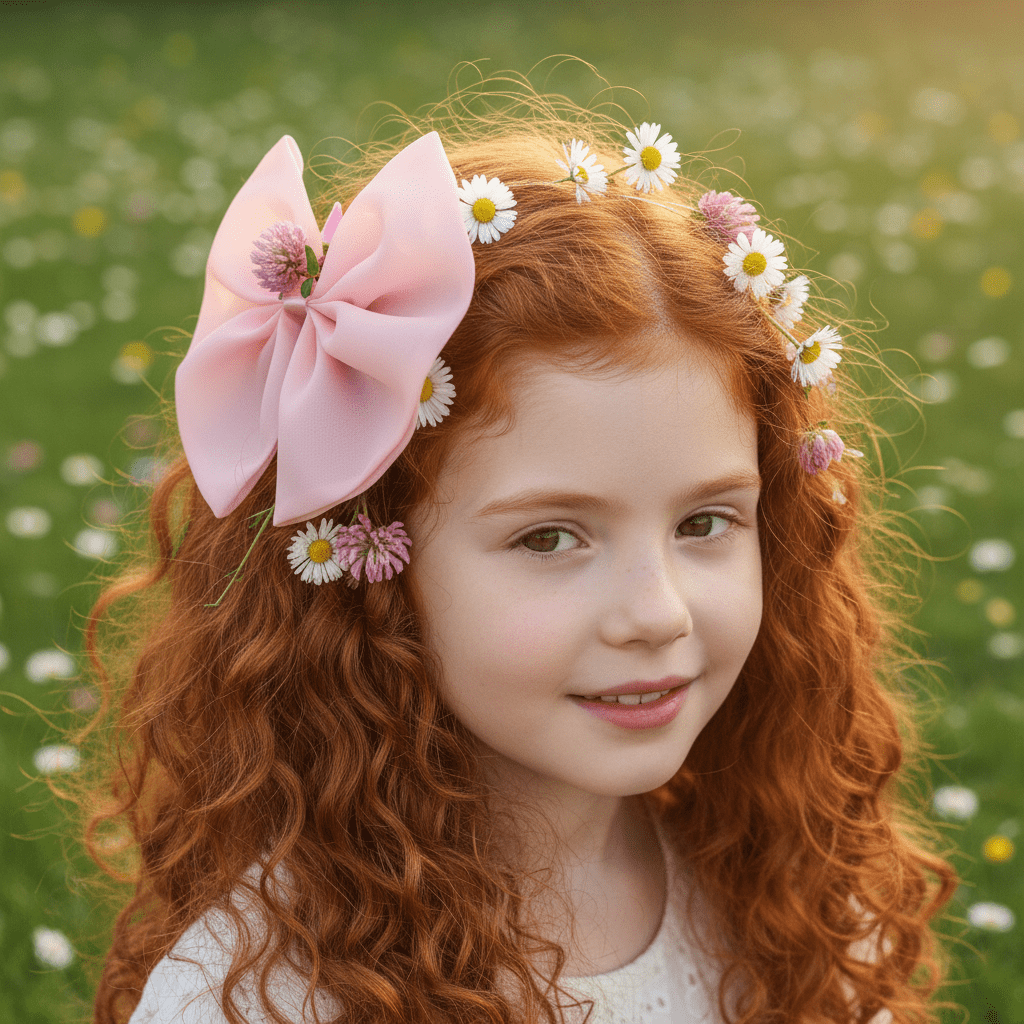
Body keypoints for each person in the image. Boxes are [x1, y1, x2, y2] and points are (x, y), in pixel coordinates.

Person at [75, 82, 959, 1024]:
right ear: (372, 568)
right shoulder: (267, 994)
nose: (658, 612)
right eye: (549, 537)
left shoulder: (791, 895)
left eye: (705, 523)